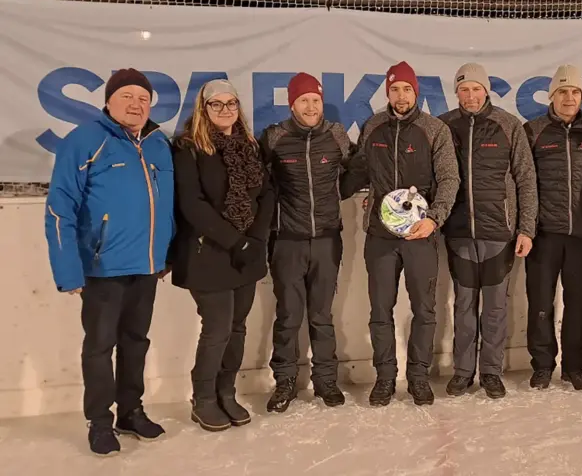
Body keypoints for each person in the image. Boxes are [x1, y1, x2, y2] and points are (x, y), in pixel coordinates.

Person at [44, 68, 174, 456]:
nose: (136, 104)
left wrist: (166, 253)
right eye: (127, 96)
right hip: (102, 266)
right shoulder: (85, 140)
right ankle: (99, 421)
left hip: (147, 263)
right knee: (100, 345)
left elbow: (168, 204)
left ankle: (131, 411)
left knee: (136, 341)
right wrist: (68, 269)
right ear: (109, 101)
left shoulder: (157, 142)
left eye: (143, 98)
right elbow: (59, 208)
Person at [340, 61, 460, 407]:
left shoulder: (434, 130)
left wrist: (434, 219)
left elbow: (450, 179)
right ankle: (385, 378)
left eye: (407, 89)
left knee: (425, 310)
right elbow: (357, 172)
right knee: (380, 309)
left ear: (416, 92)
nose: (401, 95)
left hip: (421, 236)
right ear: (387, 92)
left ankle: (419, 377)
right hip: (380, 237)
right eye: (395, 89)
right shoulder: (373, 126)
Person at [171, 79, 274, 431]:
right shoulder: (189, 148)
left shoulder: (250, 144)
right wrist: (236, 241)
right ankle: (203, 399)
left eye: (231, 103)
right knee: (217, 328)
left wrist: (256, 239)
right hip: (208, 252)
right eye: (217, 104)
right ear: (203, 108)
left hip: (247, 251)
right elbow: (192, 204)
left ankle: (226, 392)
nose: (226, 110)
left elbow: (266, 194)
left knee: (238, 327)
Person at [438, 63, 538, 399]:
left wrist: (526, 228)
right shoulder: (443, 126)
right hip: (458, 231)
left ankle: (491, 372)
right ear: (456, 93)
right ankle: (464, 371)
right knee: (464, 306)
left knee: (495, 307)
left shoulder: (508, 126)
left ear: (486, 90)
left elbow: (526, 179)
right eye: (463, 90)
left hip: (499, 233)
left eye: (476, 89)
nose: (470, 95)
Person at [261, 72, 353, 413]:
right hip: (287, 240)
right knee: (288, 315)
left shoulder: (336, 136)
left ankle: (326, 380)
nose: (311, 106)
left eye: (315, 100)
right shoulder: (275, 137)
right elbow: (261, 183)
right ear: (293, 104)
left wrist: (337, 195)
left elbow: (357, 168)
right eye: (304, 101)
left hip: (328, 239)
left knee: (322, 315)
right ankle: (284, 380)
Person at [522, 64, 582, 391]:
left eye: (574, 92)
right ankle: (542, 365)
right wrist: (526, 228)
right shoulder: (534, 131)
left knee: (577, 305)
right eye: (562, 92)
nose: (569, 98)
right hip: (544, 236)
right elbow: (523, 183)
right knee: (541, 304)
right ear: (552, 96)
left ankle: (575, 368)